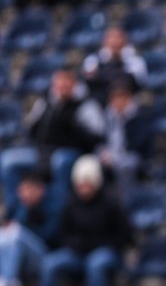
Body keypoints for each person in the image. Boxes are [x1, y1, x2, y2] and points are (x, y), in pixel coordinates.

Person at [0, 68, 104, 209]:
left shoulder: (86, 105)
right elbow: (31, 131)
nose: (62, 84)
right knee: (8, 160)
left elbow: (96, 138)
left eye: (66, 80)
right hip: (43, 152)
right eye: (59, 80)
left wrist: (72, 124)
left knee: (59, 161)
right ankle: (15, 210)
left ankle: (58, 210)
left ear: (74, 83)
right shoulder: (45, 103)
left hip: (73, 153)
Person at [39, 155, 131, 286]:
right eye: (81, 185)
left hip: (105, 252)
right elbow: (64, 234)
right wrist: (76, 245)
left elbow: (124, 235)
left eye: (87, 184)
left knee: (95, 264)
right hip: (77, 253)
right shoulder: (70, 203)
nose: (84, 189)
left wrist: (99, 244)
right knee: (50, 264)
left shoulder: (111, 203)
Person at [0, 168, 61, 286]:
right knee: (6, 235)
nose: (24, 194)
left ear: (40, 189)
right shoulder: (18, 207)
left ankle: (9, 280)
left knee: (16, 233)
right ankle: (6, 280)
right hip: (21, 257)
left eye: (28, 189)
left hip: (46, 256)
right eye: (22, 189)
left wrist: (24, 228)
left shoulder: (52, 207)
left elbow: (51, 236)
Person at [97, 77, 154, 187]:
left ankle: (127, 200)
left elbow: (137, 145)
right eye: (115, 98)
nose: (118, 101)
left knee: (126, 165)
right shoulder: (108, 116)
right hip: (111, 154)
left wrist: (115, 157)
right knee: (90, 164)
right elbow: (102, 138)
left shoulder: (139, 116)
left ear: (129, 98)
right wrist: (105, 152)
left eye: (122, 97)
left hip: (133, 156)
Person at [82, 26, 147, 106]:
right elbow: (88, 83)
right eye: (111, 38)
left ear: (125, 40)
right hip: (101, 103)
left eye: (118, 38)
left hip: (128, 103)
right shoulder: (93, 59)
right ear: (104, 41)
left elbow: (139, 85)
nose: (114, 41)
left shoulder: (136, 61)